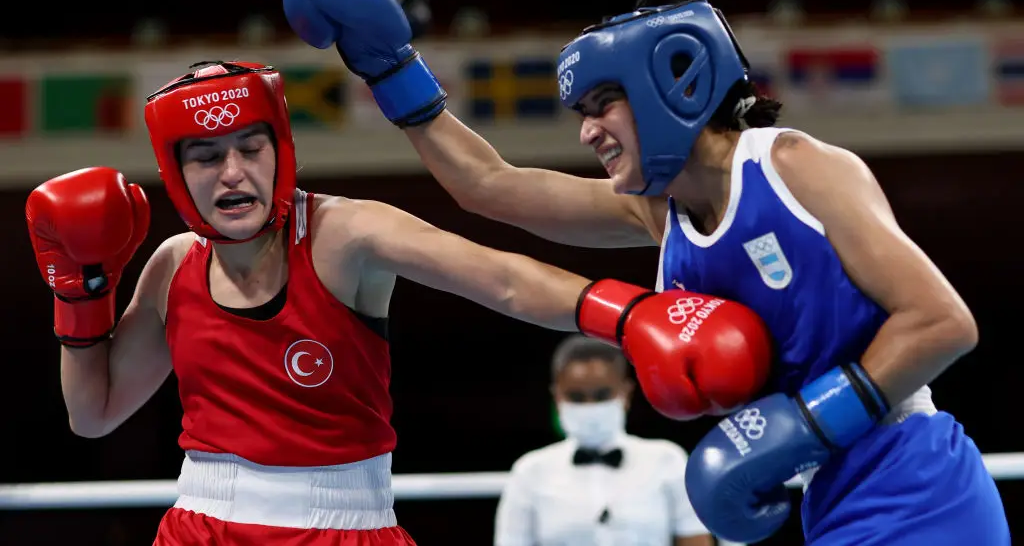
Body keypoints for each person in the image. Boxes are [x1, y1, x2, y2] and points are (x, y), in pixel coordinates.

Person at [281, 0, 1011, 545]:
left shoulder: (795, 168)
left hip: (914, 480)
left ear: (671, 84)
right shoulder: (661, 218)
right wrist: (389, 67)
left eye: (603, 105)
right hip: (832, 491)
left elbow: (943, 321)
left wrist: (803, 422)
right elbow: (488, 186)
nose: (588, 132)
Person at [25, 60, 772, 546]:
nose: (233, 174)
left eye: (250, 147)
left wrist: (633, 314)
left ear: (281, 149)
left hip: (348, 525)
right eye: (206, 156)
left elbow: (500, 276)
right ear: (176, 171)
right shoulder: (173, 266)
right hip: (203, 526)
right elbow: (92, 414)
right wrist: (80, 296)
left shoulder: (346, 234)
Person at [494, 335, 713, 546]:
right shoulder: (530, 471)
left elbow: (695, 540)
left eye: (601, 396)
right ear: (557, 397)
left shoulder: (667, 460)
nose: (590, 406)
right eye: (576, 397)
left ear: (625, 393)